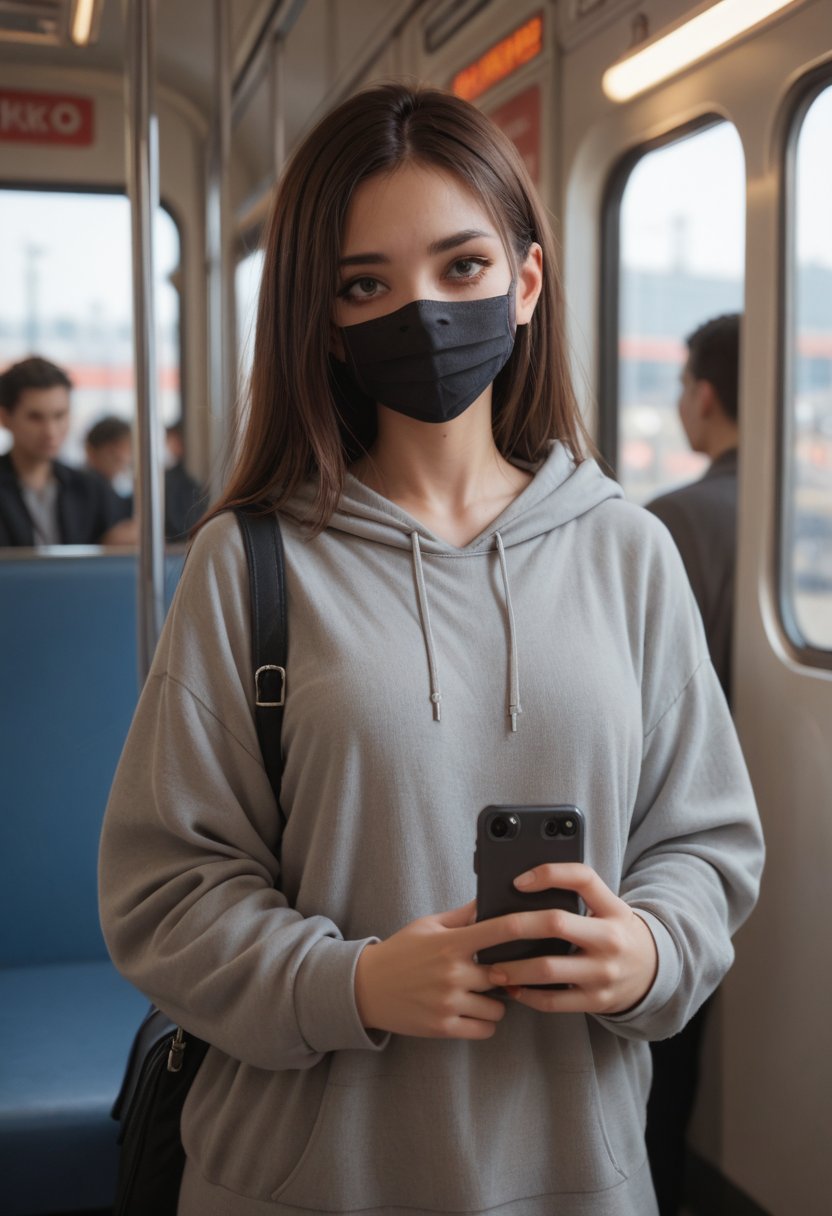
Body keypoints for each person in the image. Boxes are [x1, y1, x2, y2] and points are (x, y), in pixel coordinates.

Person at [98, 85, 764, 1216]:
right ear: (325, 318)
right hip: (302, 1178)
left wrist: (650, 953)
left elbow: (705, 846)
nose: (423, 313)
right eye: (367, 284)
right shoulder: (248, 561)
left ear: (528, 281)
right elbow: (164, 891)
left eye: (461, 268)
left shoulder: (628, 552)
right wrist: (348, 981)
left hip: (574, 1174)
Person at [644, 313, 742, 1216]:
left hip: (665, 836)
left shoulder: (666, 524)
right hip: (719, 852)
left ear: (704, 397)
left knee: (659, 1070)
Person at [0, 356, 133, 547]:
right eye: (35, 417)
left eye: (59, 415)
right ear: (5, 418)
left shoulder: (91, 490)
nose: (50, 431)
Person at [163, 420, 207, 541]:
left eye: (169, 441)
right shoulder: (176, 479)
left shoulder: (176, 482)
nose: (167, 446)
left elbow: (178, 527)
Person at [85, 414, 134, 519]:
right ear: (91, 451)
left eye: (128, 449)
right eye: (113, 451)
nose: (123, 457)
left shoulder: (118, 489)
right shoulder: (86, 491)